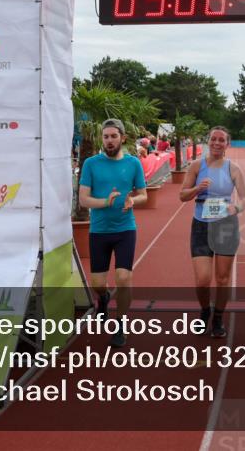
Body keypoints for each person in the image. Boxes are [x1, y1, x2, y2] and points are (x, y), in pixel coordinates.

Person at [78, 118, 147, 347]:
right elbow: (83, 199)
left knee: (124, 277)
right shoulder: (90, 164)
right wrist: (105, 202)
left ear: (122, 138)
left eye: (113, 136)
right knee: (98, 283)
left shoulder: (134, 163)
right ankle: (104, 297)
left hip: (125, 229)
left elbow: (143, 194)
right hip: (99, 230)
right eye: (106, 137)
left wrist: (132, 200)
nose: (109, 141)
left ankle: (120, 325)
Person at [179, 126, 245, 338]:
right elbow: (182, 196)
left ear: (227, 144)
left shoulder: (233, 168)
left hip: (225, 225)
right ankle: (204, 311)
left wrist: (235, 208)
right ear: (208, 141)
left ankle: (218, 316)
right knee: (202, 279)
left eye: (221, 140)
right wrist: (197, 189)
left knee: (222, 278)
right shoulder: (196, 166)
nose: (217, 143)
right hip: (201, 224)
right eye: (213, 139)